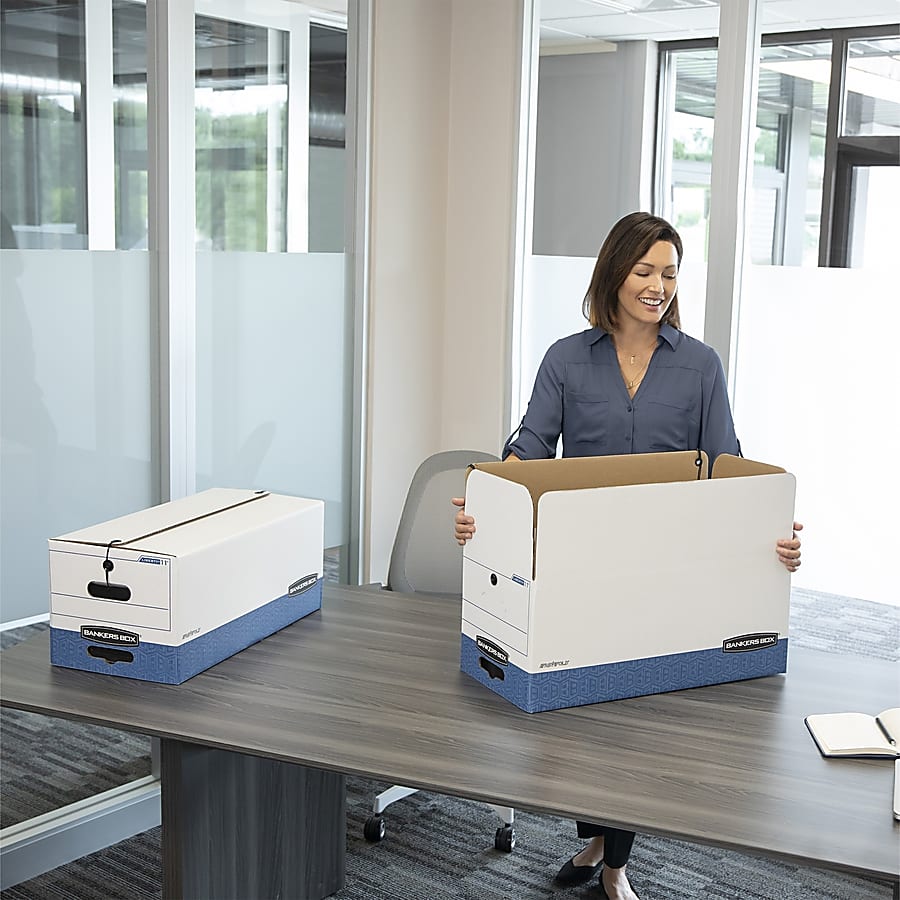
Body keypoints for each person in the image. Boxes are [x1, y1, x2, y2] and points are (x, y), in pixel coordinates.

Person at [452, 211, 802, 900]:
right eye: (644, 271)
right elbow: (526, 453)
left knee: (639, 723)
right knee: (580, 715)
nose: (658, 286)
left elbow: (727, 462)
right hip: (579, 562)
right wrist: (482, 506)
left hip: (669, 566)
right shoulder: (565, 358)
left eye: (669, 273)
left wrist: (775, 533)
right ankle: (595, 836)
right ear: (614, 275)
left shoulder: (700, 363)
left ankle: (614, 863)